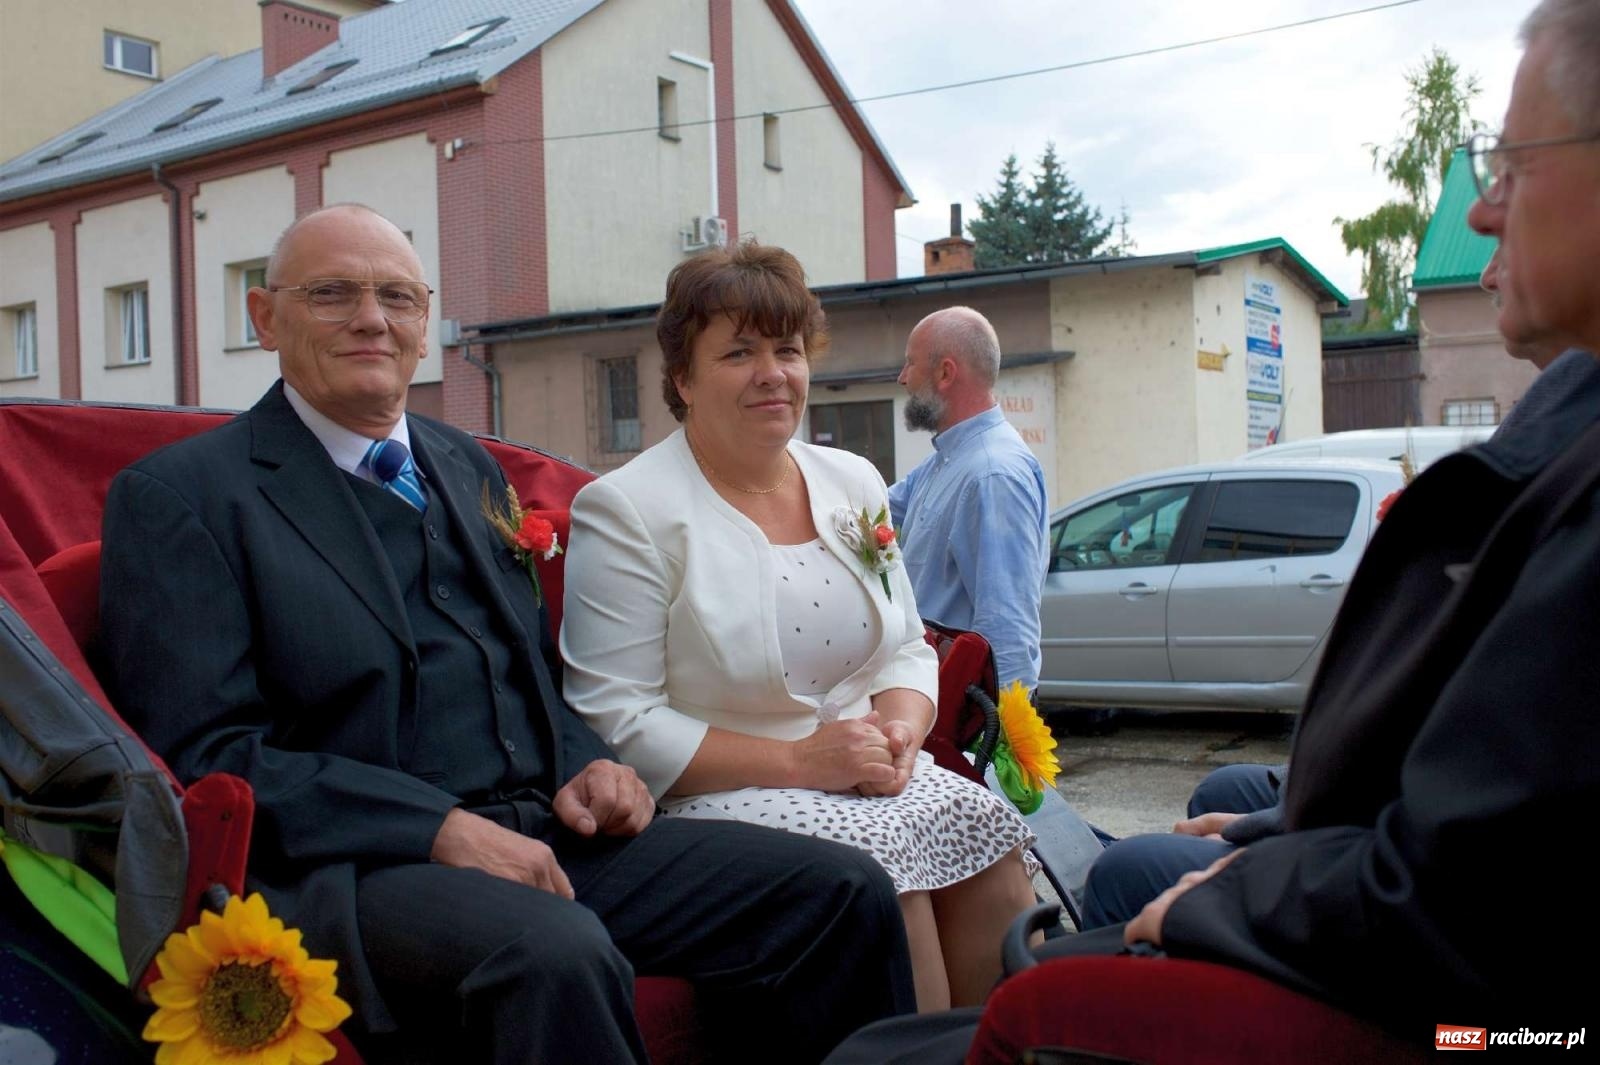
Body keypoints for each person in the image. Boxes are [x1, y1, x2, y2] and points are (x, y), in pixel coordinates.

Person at [827, 4, 1600, 1054]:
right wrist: (1262, 836)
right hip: (1371, 900)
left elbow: (1471, 887)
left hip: (1441, 997)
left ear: (947, 374)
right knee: (1156, 848)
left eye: (1509, 166)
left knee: (990, 978)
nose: (1482, 214)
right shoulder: (1559, 440)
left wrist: (1218, 884)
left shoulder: (997, 471)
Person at [98, 205, 916, 1065]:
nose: (372, 317)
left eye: (398, 298)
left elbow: (528, 673)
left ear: (425, 327)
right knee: (553, 950)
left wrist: (592, 767)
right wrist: (435, 828)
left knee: (838, 891)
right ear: (266, 318)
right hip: (361, 866)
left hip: (548, 827)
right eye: (333, 294)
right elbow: (208, 753)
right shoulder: (183, 496)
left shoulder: (465, 466)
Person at [560, 242, 1039, 1013]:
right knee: (889, 879)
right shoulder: (629, 509)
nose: (772, 372)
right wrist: (801, 760)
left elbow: (907, 646)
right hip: (719, 794)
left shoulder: (852, 480)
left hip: (865, 770)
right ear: (682, 378)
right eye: (738, 351)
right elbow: (616, 720)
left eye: (787, 349)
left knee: (982, 827)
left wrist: (902, 729)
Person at [888, 307, 1049, 694]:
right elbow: (867, 507)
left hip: (968, 720)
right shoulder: (947, 461)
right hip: (930, 698)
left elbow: (1007, 625)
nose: (903, 378)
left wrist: (1001, 743)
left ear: (945, 373)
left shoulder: (993, 475)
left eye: (910, 363)